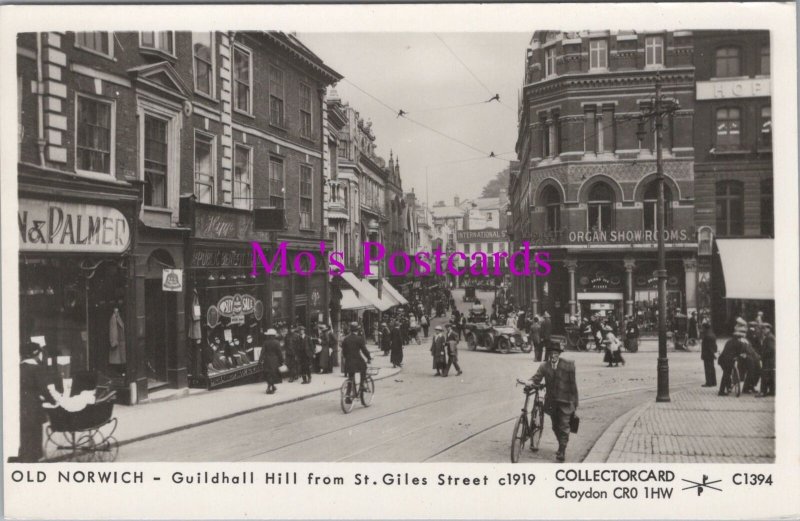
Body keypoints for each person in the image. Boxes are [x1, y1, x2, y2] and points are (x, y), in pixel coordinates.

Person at [530, 343, 579, 462]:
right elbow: (536, 379)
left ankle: (562, 450)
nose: (553, 356)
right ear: (548, 355)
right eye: (551, 354)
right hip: (552, 402)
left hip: (566, 401)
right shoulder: (544, 367)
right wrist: (530, 383)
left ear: (559, 354)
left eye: (556, 354)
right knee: (555, 426)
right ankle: (561, 444)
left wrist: (575, 402)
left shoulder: (568, 366)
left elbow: (573, 385)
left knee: (564, 425)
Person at [17, 342, 58, 462]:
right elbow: (43, 389)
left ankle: (24, 454)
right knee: (35, 431)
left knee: (24, 432)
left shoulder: (20, 367)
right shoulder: (36, 368)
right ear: (36, 354)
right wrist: (53, 400)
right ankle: (33, 458)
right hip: (33, 405)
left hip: (21, 404)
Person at [340, 322, 373, 403]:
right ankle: (362, 385)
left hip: (348, 362)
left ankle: (348, 395)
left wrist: (347, 357)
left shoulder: (346, 339)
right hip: (358, 361)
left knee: (351, 378)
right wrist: (369, 358)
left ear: (350, 330)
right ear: (357, 330)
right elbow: (364, 350)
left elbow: (344, 352)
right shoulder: (359, 339)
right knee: (364, 367)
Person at [718, 318, 747, 396]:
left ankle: (728, 387)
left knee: (726, 374)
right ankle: (721, 392)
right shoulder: (739, 343)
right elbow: (739, 353)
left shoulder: (729, 341)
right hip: (728, 361)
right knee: (726, 375)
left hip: (722, 360)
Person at [260, 329, 284, 394]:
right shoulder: (277, 342)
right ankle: (269, 388)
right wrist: (282, 361)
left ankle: (271, 387)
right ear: (274, 335)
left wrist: (260, 361)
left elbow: (262, 352)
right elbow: (279, 353)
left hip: (267, 360)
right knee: (273, 374)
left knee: (268, 374)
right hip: (275, 360)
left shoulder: (265, 342)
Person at [757, 323, 775, 397]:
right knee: (770, 376)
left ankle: (763, 392)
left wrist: (763, 355)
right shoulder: (770, 336)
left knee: (765, 376)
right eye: (762, 329)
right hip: (770, 360)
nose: (763, 330)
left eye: (764, 329)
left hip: (768, 360)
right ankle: (772, 391)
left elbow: (771, 349)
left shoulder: (769, 337)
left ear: (768, 329)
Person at [700, 322, 718, 387]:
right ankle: (714, 382)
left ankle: (709, 382)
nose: (702, 329)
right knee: (712, 368)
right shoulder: (712, 334)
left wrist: (703, 355)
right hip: (711, 354)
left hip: (707, 354)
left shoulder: (706, 336)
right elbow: (714, 346)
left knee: (708, 369)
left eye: (702, 327)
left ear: (705, 328)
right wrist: (714, 353)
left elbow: (707, 347)